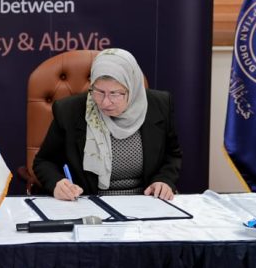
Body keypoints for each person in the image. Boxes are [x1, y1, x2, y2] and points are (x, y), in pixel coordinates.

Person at [32, 48, 181, 201]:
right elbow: (43, 161)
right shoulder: (69, 111)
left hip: (145, 202)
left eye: (115, 93)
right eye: (98, 92)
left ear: (132, 88)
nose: (105, 102)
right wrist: (57, 183)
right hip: (88, 204)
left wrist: (164, 180)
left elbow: (172, 155)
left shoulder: (160, 105)